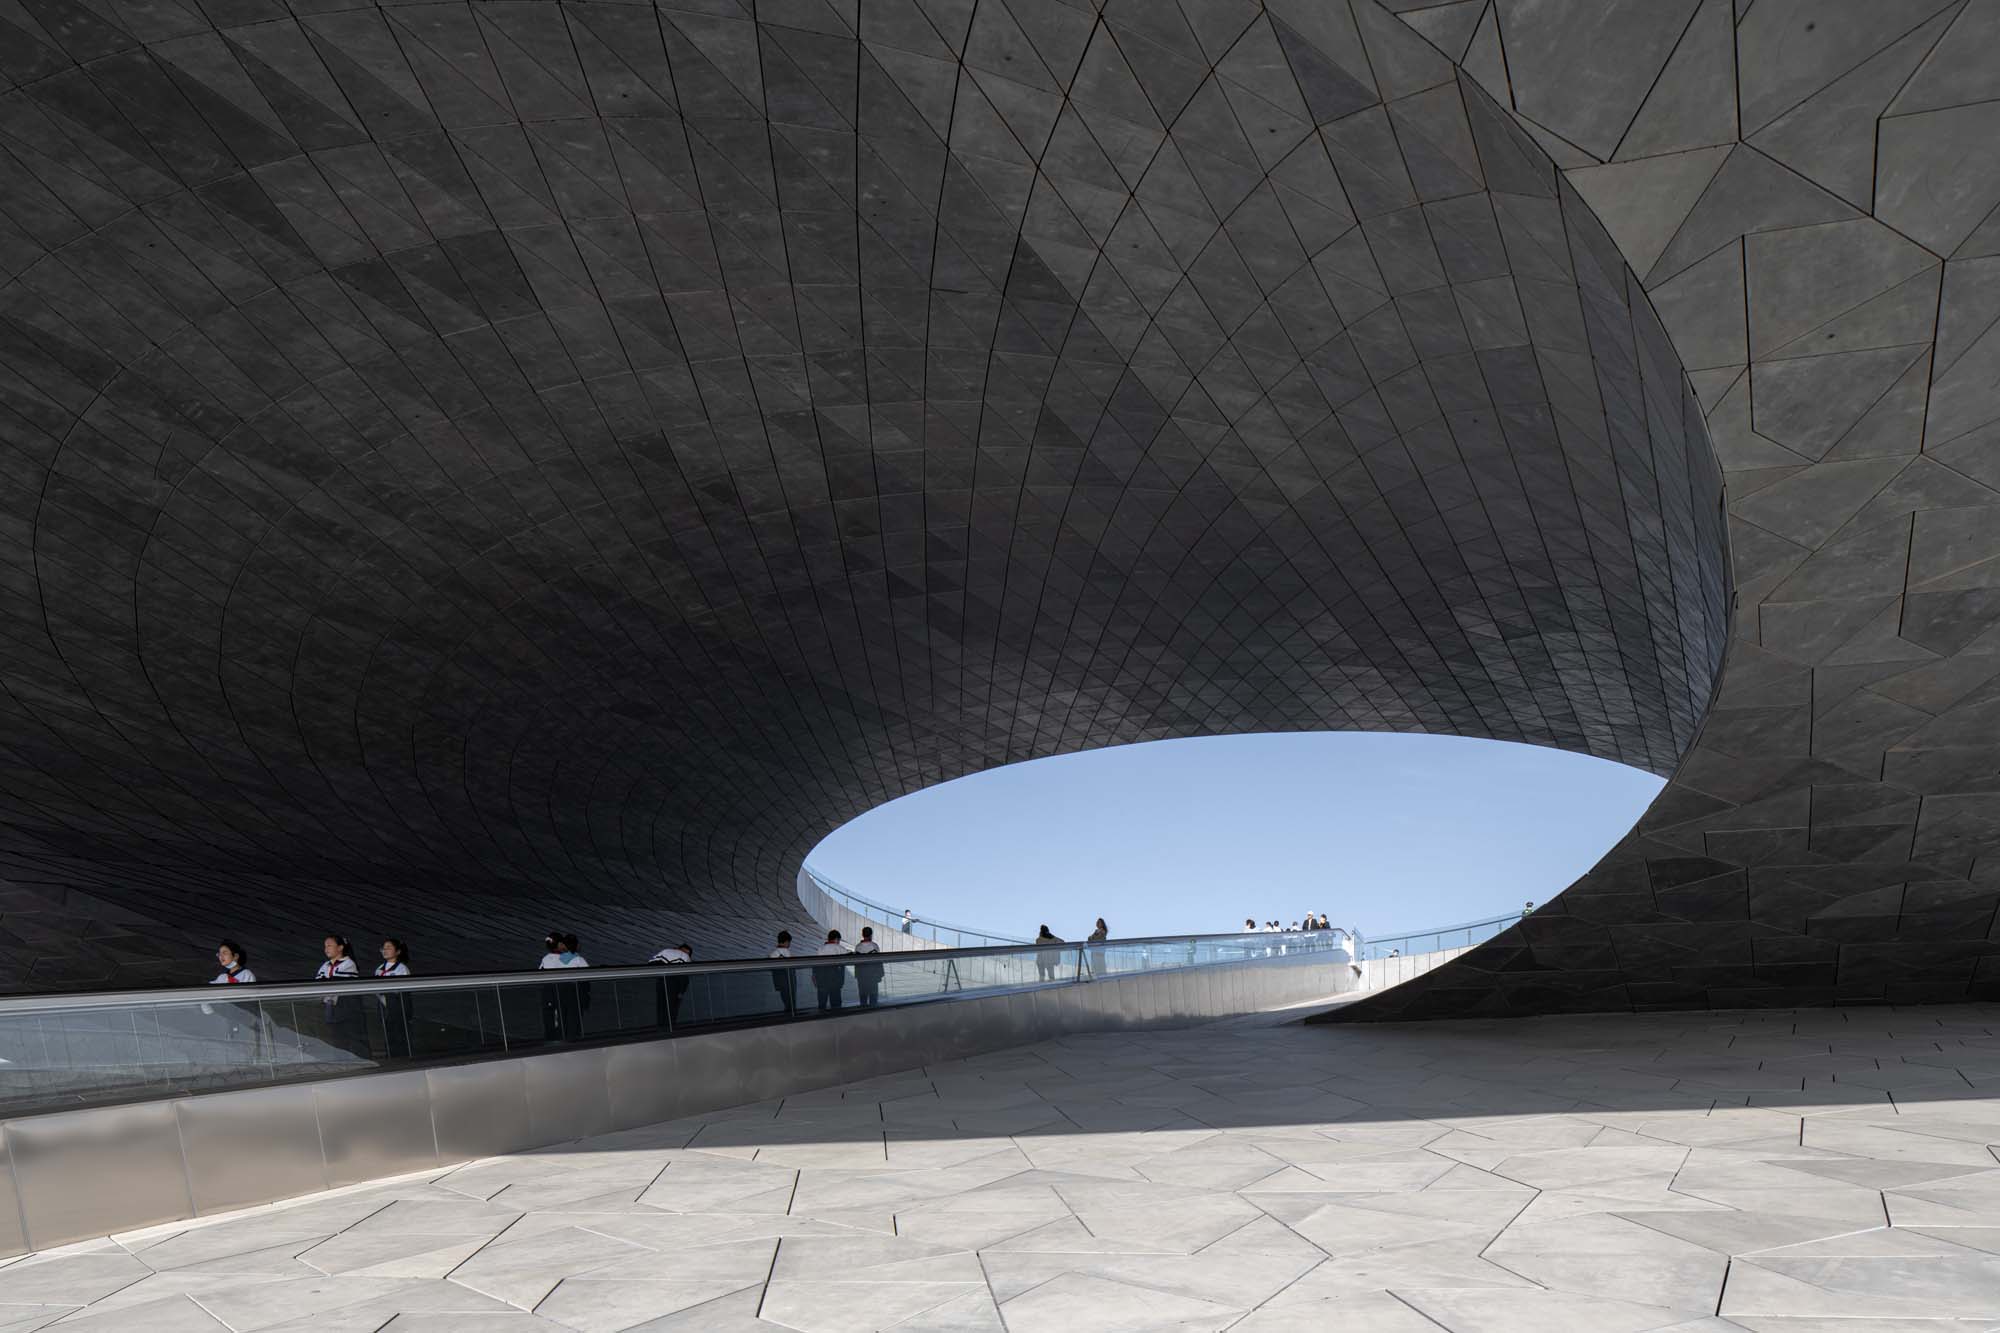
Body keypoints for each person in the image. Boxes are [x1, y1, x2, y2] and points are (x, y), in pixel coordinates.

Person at [314, 933, 363, 1058]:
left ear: (340, 947)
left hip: (346, 1005)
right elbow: (318, 983)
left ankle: (353, 1060)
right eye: (325, 946)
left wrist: (326, 982)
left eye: (330, 945)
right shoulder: (325, 965)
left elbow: (336, 984)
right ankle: (340, 1060)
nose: (326, 949)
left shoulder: (349, 963)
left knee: (348, 1035)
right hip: (331, 1005)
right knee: (335, 1036)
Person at [538, 931, 589, 1039]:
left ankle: (553, 1039)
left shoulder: (546, 959)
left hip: (549, 995)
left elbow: (540, 974)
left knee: (554, 1022)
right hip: (566, 995)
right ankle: (567, 1039)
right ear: (560, 944)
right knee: (570, 1022)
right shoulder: (575, 959)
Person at [375, 939, 413, 1059]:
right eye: (383, 948)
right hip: (383, 1005)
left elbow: (403, 990)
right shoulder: (379, 969)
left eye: (389, 948)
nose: (385, 950)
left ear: (398, 952)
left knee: (400, 1034)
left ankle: (403, 1058)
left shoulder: (401, 969)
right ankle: (391, 1057)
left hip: (397, 1006)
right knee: (388, 1034)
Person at [651, 941, 692, 1026]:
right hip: (674, 983)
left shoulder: (666, 951)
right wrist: (682, 991)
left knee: (661, 1006)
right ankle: (670, 1027)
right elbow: (684, 976)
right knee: (672, 1008)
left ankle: (660, 1026)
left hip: (661, 980)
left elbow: (651, 963)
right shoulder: (685, 956)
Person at [811, 929, 851, 1012]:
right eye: (839, 940)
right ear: (836, 939)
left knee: (822, 1005)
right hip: (835, 982)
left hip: (821, 981)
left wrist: (814, 978)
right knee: (836, 1006)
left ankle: (822, 1018)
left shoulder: (820, 949)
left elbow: (815, 965)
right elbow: (849, 957)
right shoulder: (839, 948)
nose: (839, 942)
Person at [853, 926, 883, 1007]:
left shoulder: (858, 947)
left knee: (863, 996)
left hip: (861, 976)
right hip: (872, 976)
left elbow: (856, 963)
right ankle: (872, 1010)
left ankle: (863, 1009)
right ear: (871, 935)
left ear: (862, 934)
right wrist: (880, 975)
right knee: (873, 997)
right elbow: (878, 962)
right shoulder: (874, 946)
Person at [769, 930, 798, 1015]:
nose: (789, 944)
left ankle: (787, 1013)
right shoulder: (786, 952)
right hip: (789, 982)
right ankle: (791, 1016)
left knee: (785, 1000)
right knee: (791, 1003)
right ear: (786, 942)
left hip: (779, 982)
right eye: (789, 942)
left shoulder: (773, 953)